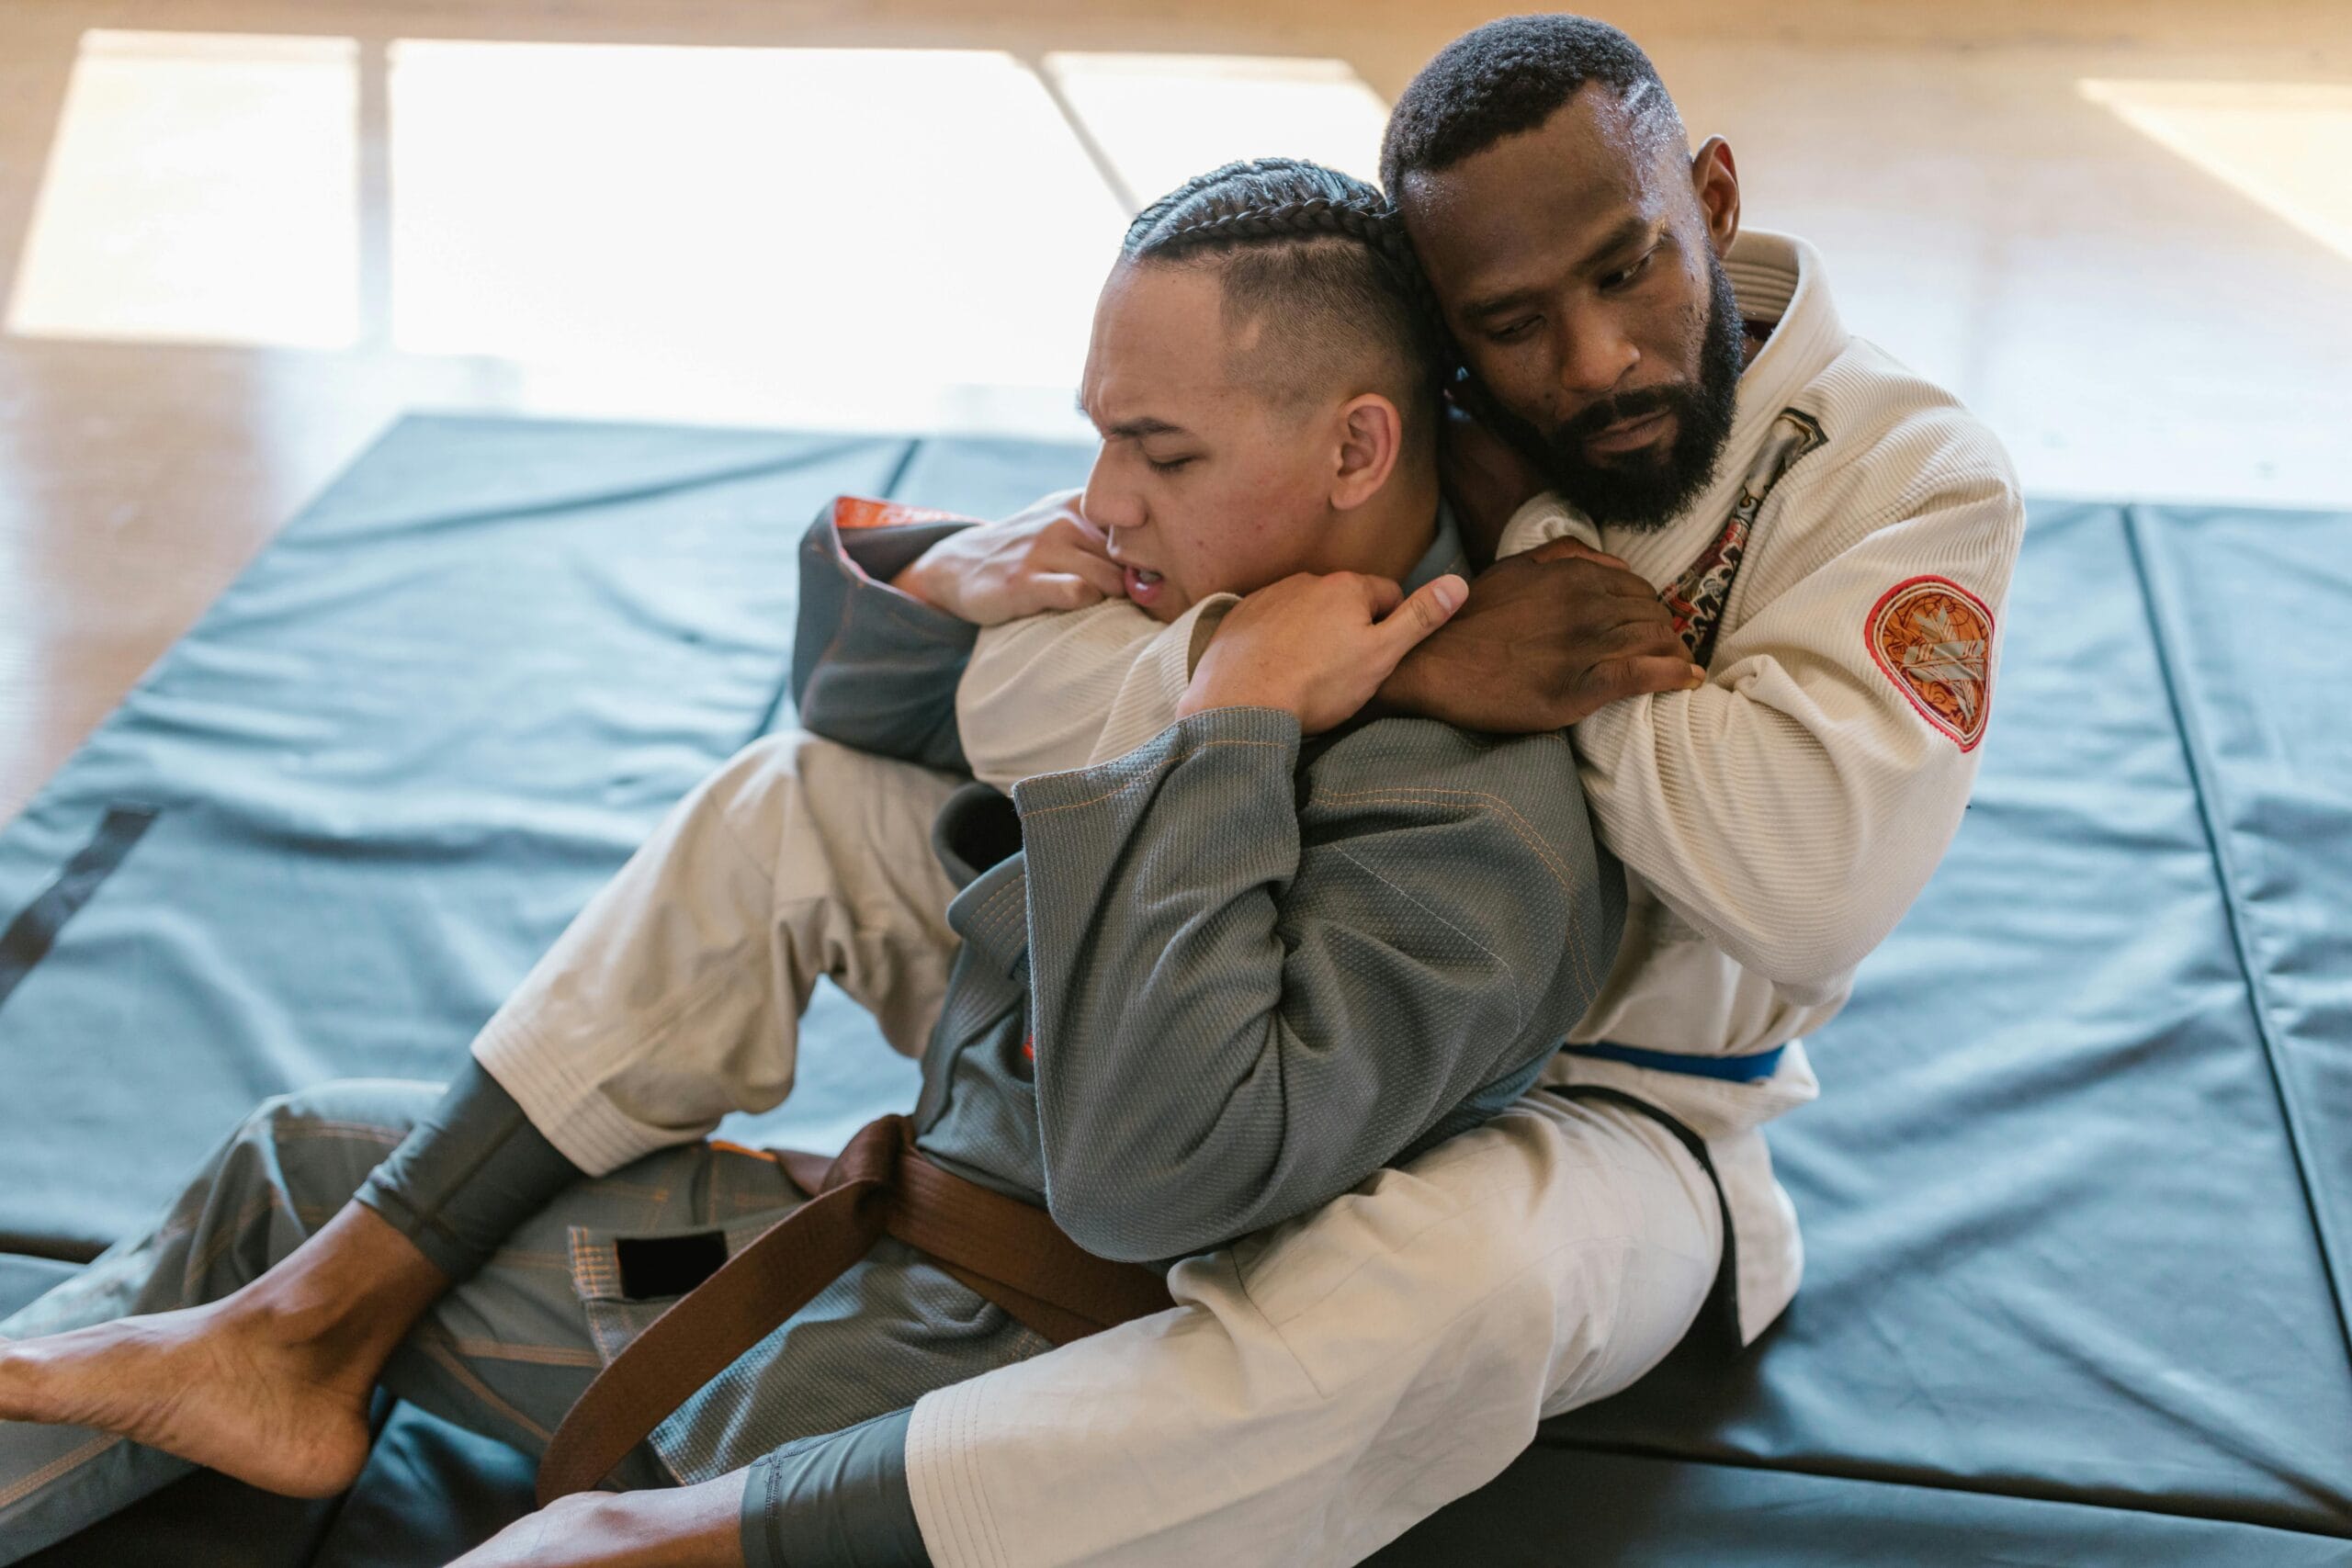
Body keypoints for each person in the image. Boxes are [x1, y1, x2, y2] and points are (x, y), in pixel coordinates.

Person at [0, 159, 1630, 1568]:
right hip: (870, 1242)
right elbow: (859, 714)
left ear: (1355, 450)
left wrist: (1230, 735)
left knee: (313, 1218)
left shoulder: (1474, 824)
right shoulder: (1182, 594)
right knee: (299, 1172)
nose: (1105, 496)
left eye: (1161, 451)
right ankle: (279, 1346)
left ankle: (303, 1352)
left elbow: (1160, 1181)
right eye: (1098, 437)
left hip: (947, 1388)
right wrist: (951, 570)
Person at [785, 16, 2025, 1568]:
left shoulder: (1907, 472)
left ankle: (710, 1536)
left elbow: (1809, 890)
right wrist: (1305, 652)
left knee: (1430, 1286)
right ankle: (401, 1258)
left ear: (1709, 198)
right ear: (1438, 340)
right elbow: (969, 683)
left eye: (1628, 268)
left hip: (1613, 1119)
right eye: (1509, 322)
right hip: (1289, 997)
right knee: (802, 798)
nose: (1588, 361)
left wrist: (1514, 595)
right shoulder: (1411, 424)